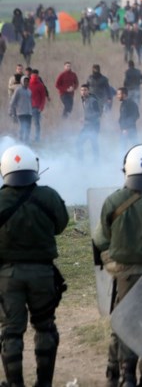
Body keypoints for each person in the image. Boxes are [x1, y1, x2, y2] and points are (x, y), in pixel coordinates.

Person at [94, 145, 142, 387]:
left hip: (125, 275)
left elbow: (102, 239)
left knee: (126, 324)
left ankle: (125, 374)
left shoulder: (114, 200)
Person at [0, 145, 69, 387]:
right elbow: (61, 225)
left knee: (11, 332)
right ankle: (44, 383)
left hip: (7, 275)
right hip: (42, 273)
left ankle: (15, 383)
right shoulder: (48, 196)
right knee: (45, 327)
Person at [77, 83, 101, 161]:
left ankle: (96, 163)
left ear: (88, 91)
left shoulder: (93, 101)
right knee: (79, 143)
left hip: (94, 126)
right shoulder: (84, 99)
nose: (83, 92)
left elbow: (98, 114)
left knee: (93, 144)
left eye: (85, 90)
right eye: (81, 90)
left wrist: (86, 118)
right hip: (87, 125)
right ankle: (80, 162)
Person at [9, 76, 33, 143]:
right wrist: (11, 112)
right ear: (22, 82)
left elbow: (30, 102)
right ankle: (20, 142)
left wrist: (31, 111)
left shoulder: (29, 91)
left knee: (28, 129)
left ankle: (27, 142)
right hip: (20, 112)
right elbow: (13, 101)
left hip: (29, 113)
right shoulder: (18, 90)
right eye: (25, 81)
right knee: (22, 128)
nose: (26, 83)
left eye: (27, 81)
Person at [28, 70, 48, 143]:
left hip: (36, 108)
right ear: (31, 75)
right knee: (27, 124)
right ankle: (27, 138)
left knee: (36, 124)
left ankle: (37, 138)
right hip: (27, 107)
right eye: (33, 75)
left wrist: (41, 107)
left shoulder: (40, 85)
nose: (34, 77)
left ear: (38, 76)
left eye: (36, 75)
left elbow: (43, 97)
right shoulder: (27, 84)